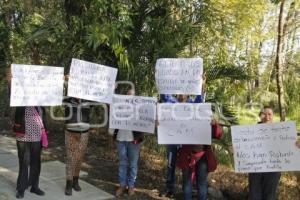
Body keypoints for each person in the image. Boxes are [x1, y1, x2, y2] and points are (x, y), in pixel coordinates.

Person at [8, 69, 47, 199]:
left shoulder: (41, 97)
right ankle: (21, 188)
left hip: (37, 134)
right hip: (23, 133)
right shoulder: (20, 94)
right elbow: (12, 93)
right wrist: (11, 80)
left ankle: (34, 186)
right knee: (24, 161)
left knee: (36, 161)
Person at [248, 106, 300, 200]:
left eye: (269, 114)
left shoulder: (281, 132)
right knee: (254, 196)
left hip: (273, 170)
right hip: (255, 170)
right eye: (264, 114)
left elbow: (289, 147)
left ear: (273, 116)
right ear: (260, 115)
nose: (267, 117)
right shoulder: (250, 131)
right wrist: (235, 150)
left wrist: (296, 146)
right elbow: (243, 148)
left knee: (270, 196)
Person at [159, 94, 204, 198]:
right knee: (170, 165)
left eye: (183, 91)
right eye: (179, 90)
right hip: (173, 141)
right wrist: (160, 79)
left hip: (187, 144)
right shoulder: (172, 102)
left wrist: (201, 87)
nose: (181, 93)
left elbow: (200, 102)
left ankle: (188, 190)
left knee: (188, 167)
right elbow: (164, 96)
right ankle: (169, 188)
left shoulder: (192, 104)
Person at [176, 120, 223, 200]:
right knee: (187, 182)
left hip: (202, 156)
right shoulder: (182, 115)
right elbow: (172, 129)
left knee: (201, 183)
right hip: (186, 155)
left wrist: (215, 125)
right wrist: (161, 125)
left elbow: (218, 134)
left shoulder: (206, 116)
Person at [64, 75, 91, 196]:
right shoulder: (67, 99)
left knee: (79, 158)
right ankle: (68, 184)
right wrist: (64, 81)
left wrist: (111, 89)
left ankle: (75, 181)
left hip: (84, 133)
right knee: (71, 158)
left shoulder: (88, 99)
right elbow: (53, 95)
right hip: (70, 132)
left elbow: (103, 97)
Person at [114, 88, 144, 197]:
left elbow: (146, 120)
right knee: (122, 163)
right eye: (128, 94)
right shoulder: (119, 106)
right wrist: (111, 89)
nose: (130, 97)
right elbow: (110, 103)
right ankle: (122, 185)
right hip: (120, 139)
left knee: (133, 164)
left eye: (133, 95)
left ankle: (131, 186)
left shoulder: (140, 108)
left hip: (134, 141)